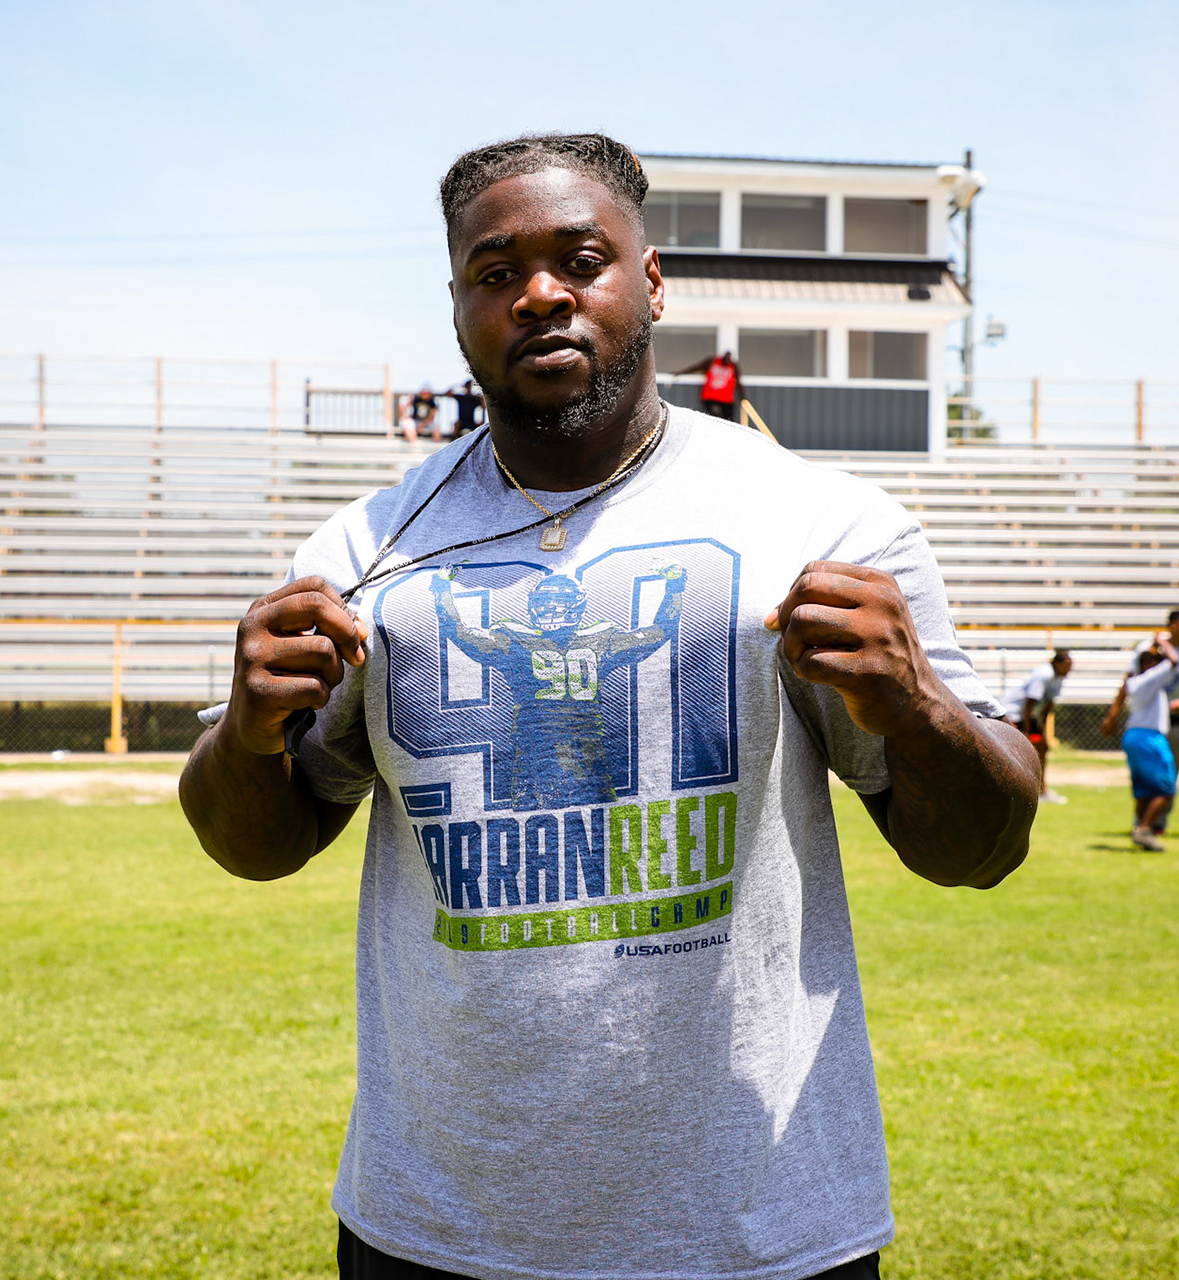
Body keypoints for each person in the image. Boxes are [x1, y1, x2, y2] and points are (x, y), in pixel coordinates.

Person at [178, 132, 1039, 1280]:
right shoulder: (361, 551)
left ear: (652, 280)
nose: (540, 294)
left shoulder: (819, 523)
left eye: (581, 261)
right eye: (495, 272)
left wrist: (921, 704)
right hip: (439, 1231)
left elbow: (983, 848)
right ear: (458, 309)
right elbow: (256, 843)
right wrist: (245, 737)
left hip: (759, 1232)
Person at [1100, 608, 1179, 834]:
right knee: (1164, 782)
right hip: (1152, 731)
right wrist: (1112, 715)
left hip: (1171, 723)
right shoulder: (1152, 663)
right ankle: (1145, 825)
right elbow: (1169, 663)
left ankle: (1151, 823)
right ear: (1172, 625)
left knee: (1151, 780)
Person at [1115, 632, 1179, 852]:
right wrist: (1162, 642)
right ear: (1148, 663)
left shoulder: (1134, 681)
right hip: (1149, 737)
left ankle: (1141, 829)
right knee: (1166, 789)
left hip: (1133, 735)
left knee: (1143, 790)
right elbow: (1175, 660)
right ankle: (1144, 829)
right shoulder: (1151, 677)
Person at [1001, 648, 1073, 804]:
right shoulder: (1044, 675)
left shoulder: (1058, 678)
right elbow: (1029, 704)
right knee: (1018, 751)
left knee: (1042, 747)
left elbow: (1047, 708)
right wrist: (1027, 733)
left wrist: (1043, 733)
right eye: (1067, 666)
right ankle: (1016, 789)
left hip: (1027, 716)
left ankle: (1041, 790)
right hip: (1013, 713)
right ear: (1058, 663)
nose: (1069, 670)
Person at [674, 349, 742, 421]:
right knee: (713, 417)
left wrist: (742, 397)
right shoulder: (712, 361)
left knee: (729, 419)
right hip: (710, 397)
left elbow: (738, 382)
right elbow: (697, 367)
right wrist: (679, 373)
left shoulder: (733, 366)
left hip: (726, 399)